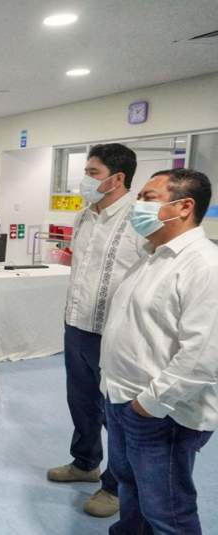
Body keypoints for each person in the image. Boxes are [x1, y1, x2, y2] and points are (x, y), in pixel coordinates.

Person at [101, 168, 217, 534]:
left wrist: (148, 405)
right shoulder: (154, 255)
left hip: (160, 413)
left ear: (184, 206)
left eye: (148, 198)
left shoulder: (205, 266)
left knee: (167, 509)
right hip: (122, 396)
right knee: (129, 484)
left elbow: (203, 357)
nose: (137, 205)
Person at [47, 143, 144, 517]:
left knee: (115, 412)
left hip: (116, 334)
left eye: (92, 173)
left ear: (117, 179)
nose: (84, 181)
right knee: (81, 401)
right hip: (77, 326)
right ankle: (86, 461)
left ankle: (115, 486)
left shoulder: (139, 220)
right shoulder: (85, 216)